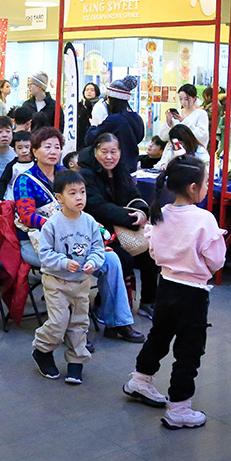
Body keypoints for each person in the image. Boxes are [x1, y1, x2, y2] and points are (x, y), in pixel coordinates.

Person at [122, 155, 225, 429]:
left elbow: (154, 252)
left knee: (159, 336)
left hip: (165, 286)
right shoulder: (204, 219)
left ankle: (140, 380)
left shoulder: (161, 213)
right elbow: (217, 260)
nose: (207, 187)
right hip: (193, 293)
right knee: (188, 351)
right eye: (206, 183)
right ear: (193, 187)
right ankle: (179, 408)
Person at [15, 127, 139, 339]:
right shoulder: (25, 180)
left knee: (111, 260)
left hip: (74, 239)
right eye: (47, 147)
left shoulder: (68, 175)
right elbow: (27, 216)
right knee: (71, 262)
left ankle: (117, 322)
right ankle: (73, 332)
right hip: (39, 242)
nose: (53, 151)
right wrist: (58, 225)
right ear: (34, 151)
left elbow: (83, 205)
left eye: (57, 147)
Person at [31, 170, 105, 385]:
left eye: (82, 192)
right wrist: (63, 262)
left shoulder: (90, 222)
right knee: (58, 322)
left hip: (81, 282)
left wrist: (93, 262)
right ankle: (42, 350)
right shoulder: (52, 224)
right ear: (59, 198)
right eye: (72, 193)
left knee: (79, 323)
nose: (79, 197)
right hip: (56, 281)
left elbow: (98, 249)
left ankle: (76, 362)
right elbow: (44, 254)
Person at [77, 132, 150, 339]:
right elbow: (97, 207)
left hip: (123, 228)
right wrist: (129, 219)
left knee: (151, 251)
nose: (109, 157)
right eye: (104, 151)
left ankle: (148, 302)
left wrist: (141, 212)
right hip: (98, 231)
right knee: (121, 259)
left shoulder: (121, 170)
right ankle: (109, 311)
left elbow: (135, 196)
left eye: (114, 152)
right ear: (95, 151)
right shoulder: (86, 174)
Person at [86, 77, 146, 172]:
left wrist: (93, 125)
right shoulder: (137, 118)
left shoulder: (114, 120)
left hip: (115, 169)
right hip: (132, 166)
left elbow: (90, 139)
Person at [157, 83, 210, 149]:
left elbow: (202, 136)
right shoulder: (177, 113)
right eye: (180, 99)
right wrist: (168, 123)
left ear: (194, 98)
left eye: (186, 99)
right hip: (173, 151)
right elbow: (163, 137)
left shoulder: (201, 114)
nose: (183, 102)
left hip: (191, 152)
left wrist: (184, 121)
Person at [0, 131, 33, 201]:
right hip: (13, 199)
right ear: (15, 150)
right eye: (20, 148)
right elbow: (2, 183)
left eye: (27, 147)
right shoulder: (12, 166)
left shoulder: (37, 164)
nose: (24, 151)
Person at [76, 82, 101, 148]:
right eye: (87, 90)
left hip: (94, 138)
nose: (89, 92)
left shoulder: (100, 106)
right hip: (80, 140)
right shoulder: (78, 106)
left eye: (92, 90)